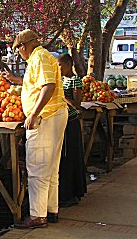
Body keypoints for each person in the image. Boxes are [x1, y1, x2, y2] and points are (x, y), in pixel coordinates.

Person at [3, 29, 68, 228]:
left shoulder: (39, 57)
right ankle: (50, 210)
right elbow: (38, 85)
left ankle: (38, 216)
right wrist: (15, 80)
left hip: (46, 117)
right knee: (50, 167)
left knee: (38, 167)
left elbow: (48, 86)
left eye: (18, 50)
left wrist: (33, 113)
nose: (19, 54)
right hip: (55, 113)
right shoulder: (42, 57)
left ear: (23, 46)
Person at [56, 53, 87, 207]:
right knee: (62, 159)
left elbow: (77, 104)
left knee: (70, 157)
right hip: (60, 121)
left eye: (60, 65)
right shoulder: (59, 80)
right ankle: (64, 193)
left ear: (68, 65)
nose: (58, 68)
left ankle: (72, 194)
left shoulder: (76, 81)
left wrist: (61, 96)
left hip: (71, 122)